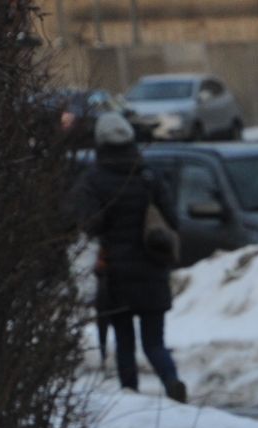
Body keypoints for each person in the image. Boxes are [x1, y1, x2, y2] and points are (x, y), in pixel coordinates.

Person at [76, 112, 186, 403]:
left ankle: (131, 395)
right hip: (153, 268)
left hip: (116, 273)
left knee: (124, 340)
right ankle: (172, 381)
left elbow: (90, 225)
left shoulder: (95, 180)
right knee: (154, 343)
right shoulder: (148, 175)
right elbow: (173, 219)